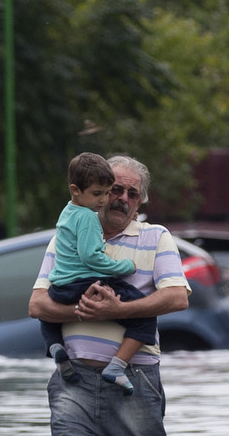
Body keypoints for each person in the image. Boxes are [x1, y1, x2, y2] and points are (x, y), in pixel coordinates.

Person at [28, 155, 190, 436]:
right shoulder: (67, 236)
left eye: (133, 194)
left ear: (141, 202)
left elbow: (177, 298)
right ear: (96, 191)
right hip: (73, 381)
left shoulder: (156, 236)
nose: (122, 199)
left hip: (134, 380)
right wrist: (84, 311)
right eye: (115, 190)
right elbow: (37, 305)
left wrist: (119, 309)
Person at [41, 152, 156, 395]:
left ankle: (55, 348)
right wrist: (124, 267)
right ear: (75, 190)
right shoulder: (89, 218)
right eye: (102, 193)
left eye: (132, 194)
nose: (104, 200)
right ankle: (117, 366)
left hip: (60, 287)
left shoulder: (67, 212)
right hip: (85, 284)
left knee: (48, 315)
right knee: (147, 314)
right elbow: (91, 257)